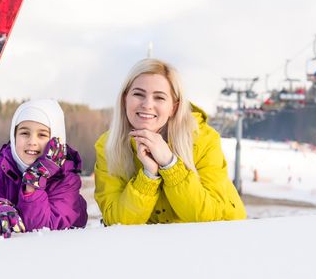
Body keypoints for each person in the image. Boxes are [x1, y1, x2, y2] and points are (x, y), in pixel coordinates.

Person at [94, 58, 246, 225]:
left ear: (173, 107)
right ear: (125, 99)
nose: (147, 105)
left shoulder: (203, 139)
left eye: (159, 97)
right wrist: (148, 176)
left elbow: (208, 219)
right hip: (153, 244)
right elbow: (116, 221)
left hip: (221, 238)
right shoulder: (108, 146)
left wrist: (170, 165)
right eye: (138, 94)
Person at [0, 99, 88, 238]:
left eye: (42, 135)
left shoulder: (66, 178)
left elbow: (41, 230)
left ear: (56, 140)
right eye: (24, 133)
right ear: (14, 136)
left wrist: (33, 184)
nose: (32, 142)